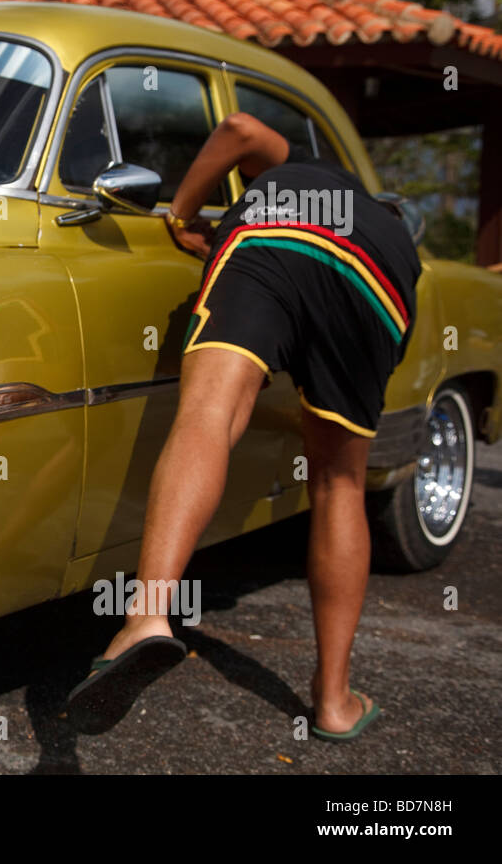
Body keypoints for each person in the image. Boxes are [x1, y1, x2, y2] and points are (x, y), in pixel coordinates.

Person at [67, 112, 422, 741]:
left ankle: (147, 617)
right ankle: (334, 702)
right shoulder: (377, 216)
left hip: (280, 230)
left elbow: (239, 129)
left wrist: (181, 214)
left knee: (210, 412)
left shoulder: (297, 168)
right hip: (385, 279)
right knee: (340, 483)